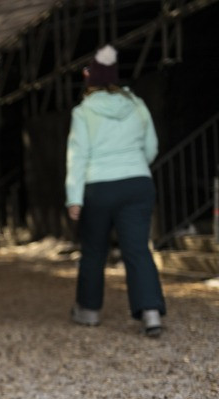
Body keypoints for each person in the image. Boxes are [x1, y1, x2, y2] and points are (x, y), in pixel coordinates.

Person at [65, 44, 164, 337]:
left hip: (98, 187)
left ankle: (89, 311)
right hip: (137, 183)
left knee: (94, 250)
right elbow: (151, 147)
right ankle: (150, 313)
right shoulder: (137, 105)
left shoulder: (83, 111)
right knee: (137, 249)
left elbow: (78, 155)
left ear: (90, 81)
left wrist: (74, 197)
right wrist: (134, 166)